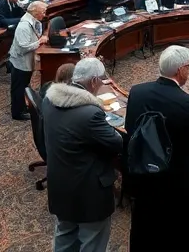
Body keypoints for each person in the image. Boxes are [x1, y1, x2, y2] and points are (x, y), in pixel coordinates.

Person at [125, 46, 189, 252]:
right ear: (180, 70)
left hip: (143, 178)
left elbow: (129, 127)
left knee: (144, 231)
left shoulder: (137, 92)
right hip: (176, 185)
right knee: (179, 237)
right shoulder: (188, 103)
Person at [43, 57, 123, 252]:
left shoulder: (48, 100)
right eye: (102, 80)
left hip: (60, 186)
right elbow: (116, 143)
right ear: (94, 81)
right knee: (92, 242)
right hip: (89, 193)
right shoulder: (89, 113)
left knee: (64, 237)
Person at [10, 1, 46, 121]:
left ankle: (22, 107)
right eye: (43, 11)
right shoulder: (24, 26)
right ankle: (17, 113)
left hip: (26, 61)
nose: (44, 14)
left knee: (23, 86)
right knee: (18, 88)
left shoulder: (31, 21)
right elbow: (23, 47)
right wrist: (39, 42)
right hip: (20, 62)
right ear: (35, 12)